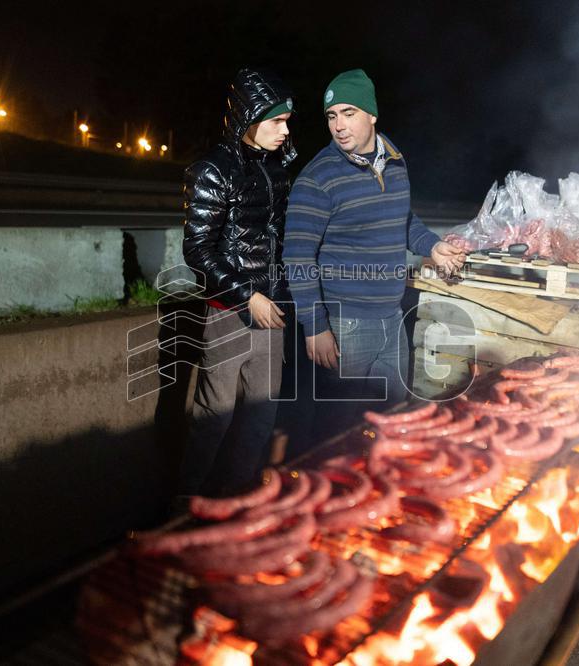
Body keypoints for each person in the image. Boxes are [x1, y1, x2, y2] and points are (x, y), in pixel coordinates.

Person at [283, 69, 464, 444]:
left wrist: (431, 245)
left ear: (371, 115)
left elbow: (403, 218)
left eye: (348, 113)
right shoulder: (318, 178)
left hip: (392, 318)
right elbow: (297, 257)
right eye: (331, 116)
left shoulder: (395, 160)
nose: (338, 125)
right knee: (335, 437)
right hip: (345, 325)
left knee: (391, 425)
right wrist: (315, 326)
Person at [178, 67, 295, 498]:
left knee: (261, 417)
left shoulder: (276, 169)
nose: (285, 130)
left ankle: (237, 498)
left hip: (272, 314)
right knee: (215, 417)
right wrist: (248, 295)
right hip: (229, 314)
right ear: (250, 117)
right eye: (276, 121)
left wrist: (284, 292)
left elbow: (278, 237)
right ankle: (185, 502)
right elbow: (198, 251)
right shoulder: (212, 170)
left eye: (287, 122)